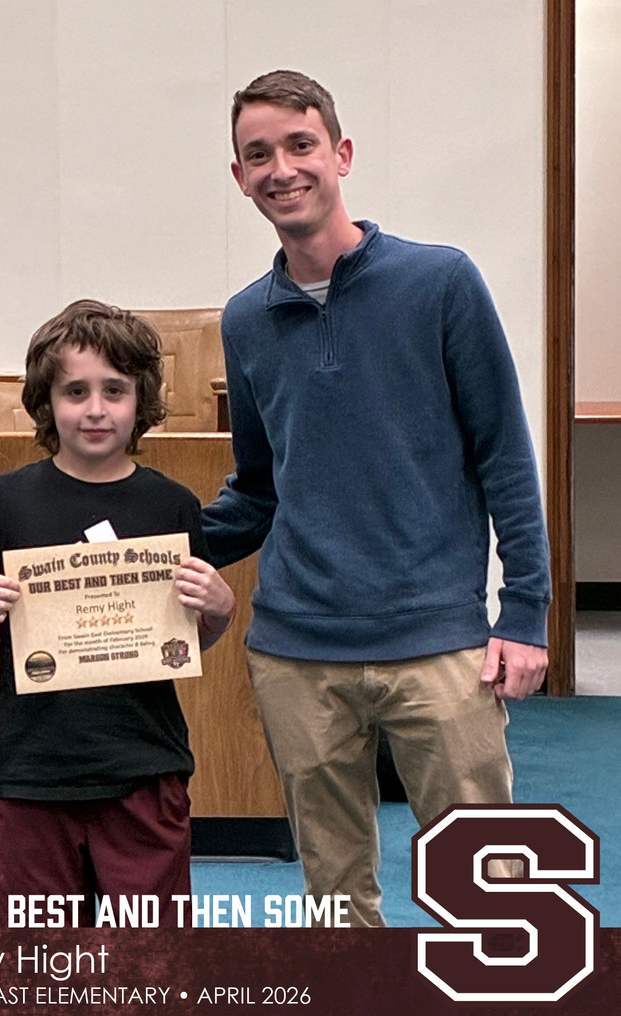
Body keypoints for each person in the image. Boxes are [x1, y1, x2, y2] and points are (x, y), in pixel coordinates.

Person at [202, 70, 551, 927]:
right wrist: (136, 549)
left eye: (298, 145)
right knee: (334, 899)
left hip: (437, 643)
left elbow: (503, 454)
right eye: (257, 155)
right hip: (295, 651)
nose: (280, 168)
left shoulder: (439, 283)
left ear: (340, 153)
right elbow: (256, 490)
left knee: (488, 889)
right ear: (238, 177)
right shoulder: (245, 320)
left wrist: (525, 613)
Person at [0, 299, 235, 927]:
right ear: (47, 402)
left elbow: (193, 635)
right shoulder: (4, 499)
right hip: (33, 769)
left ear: (142, 401)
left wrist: (221, 609)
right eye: (75, 391)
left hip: (144, 765)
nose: (96, 409)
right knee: (29, 963)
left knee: (153, 961)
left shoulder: (173, 505)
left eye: (115, 390)